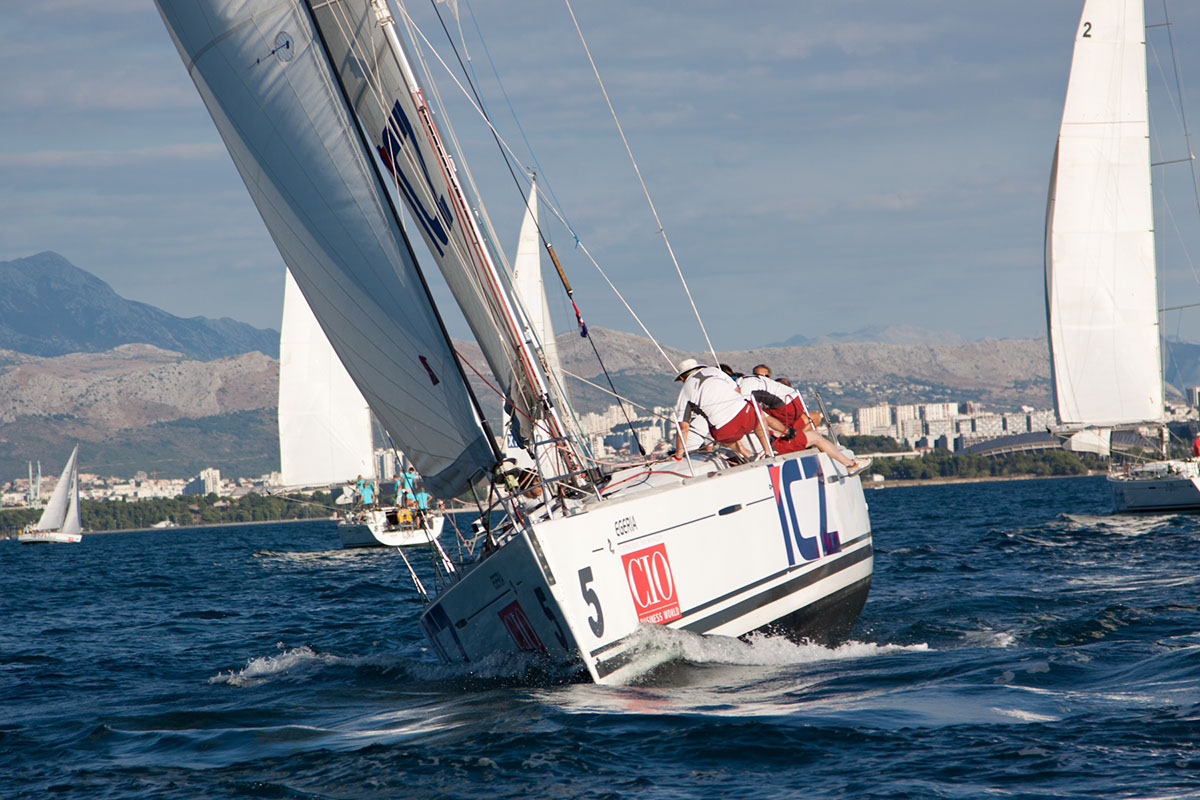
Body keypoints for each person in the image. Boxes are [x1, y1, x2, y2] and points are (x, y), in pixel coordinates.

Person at [738, 371, 869, 474]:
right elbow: (767, 420)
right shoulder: (745, 398)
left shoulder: (733, 411)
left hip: (769, 441)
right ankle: (850, 465)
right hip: (773, 447)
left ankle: (805, 444)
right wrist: (788, 432)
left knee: (812, 421)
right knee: (816, 437)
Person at [672, 358, 772, 460]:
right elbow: (738, 391)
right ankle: (768, 451)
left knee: (716, 429)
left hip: (726, 431)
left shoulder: (685, 391)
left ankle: (748, 454)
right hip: (747, 415)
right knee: (757, 411)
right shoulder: (714, 370)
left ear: (682, 378)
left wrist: (679, 455)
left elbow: (683, 427)